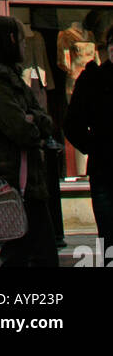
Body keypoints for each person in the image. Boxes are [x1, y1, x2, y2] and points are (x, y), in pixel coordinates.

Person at [0, 16, 59, 268]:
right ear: (11, 40)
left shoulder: (10, 80)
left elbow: (44, 120)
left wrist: (34, 119)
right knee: (26, 256)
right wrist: (34, 122)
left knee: (31, 255)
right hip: (13, 184)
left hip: (25, 183)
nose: (25, 47)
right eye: (22, 40)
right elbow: (23, 130)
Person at [64, 22, 113, 247]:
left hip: (102, 167)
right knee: (109, 237)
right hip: (105, 170)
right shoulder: (93, 78)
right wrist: (96, 146)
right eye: (112, 44)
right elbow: (72, 124)